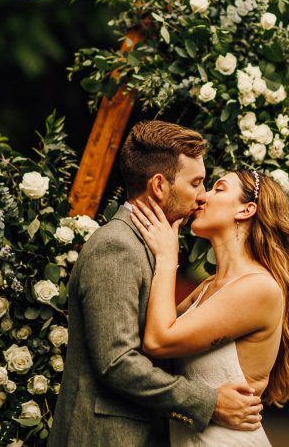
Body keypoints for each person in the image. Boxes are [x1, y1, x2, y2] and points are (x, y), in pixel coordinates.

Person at [49, 120, 264, 447]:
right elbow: (117, 363)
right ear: (160, 186)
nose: (202, 196)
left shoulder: (150, 246)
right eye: (196, 183)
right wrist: (209, 402)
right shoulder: (117, 246)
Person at [129, 168, 289, 446]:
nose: (203, 196)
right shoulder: (207, 287)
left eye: (219, 189)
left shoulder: (258, 288)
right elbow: (149, 333)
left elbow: (158, 341)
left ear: (246, 210)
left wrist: (167, 259)